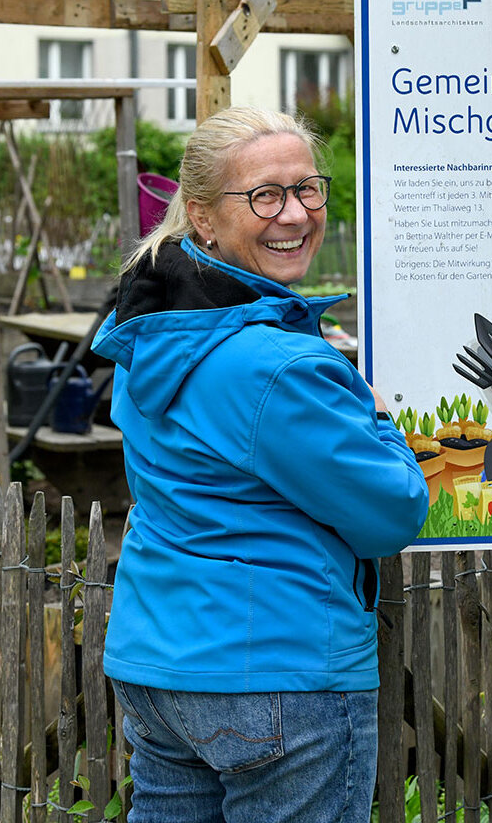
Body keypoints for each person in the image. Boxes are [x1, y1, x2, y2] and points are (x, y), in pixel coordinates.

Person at [92, 107, 429, 823]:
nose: (295, 213)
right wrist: (375, 414)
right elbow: (390, 513)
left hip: (161, 664)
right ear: (204, 219)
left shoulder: (147, 335)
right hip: (277, 670)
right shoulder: (276, 369)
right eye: (264, 196)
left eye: (307, 188)